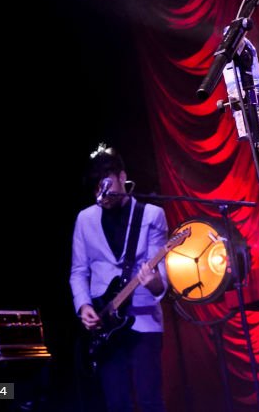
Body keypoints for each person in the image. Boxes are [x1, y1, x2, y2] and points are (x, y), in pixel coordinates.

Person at [70, 144, 168, 412]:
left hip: (144, 322)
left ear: (121, 176)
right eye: (95, 189)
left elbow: (162, 279)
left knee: (150, 401)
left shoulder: (151, 215)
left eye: (105, 183)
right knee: (117, 403)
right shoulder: (84, 219)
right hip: (105, 323)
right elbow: (79, 271)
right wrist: (84, 306)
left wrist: (153, 281)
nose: (101, 194)